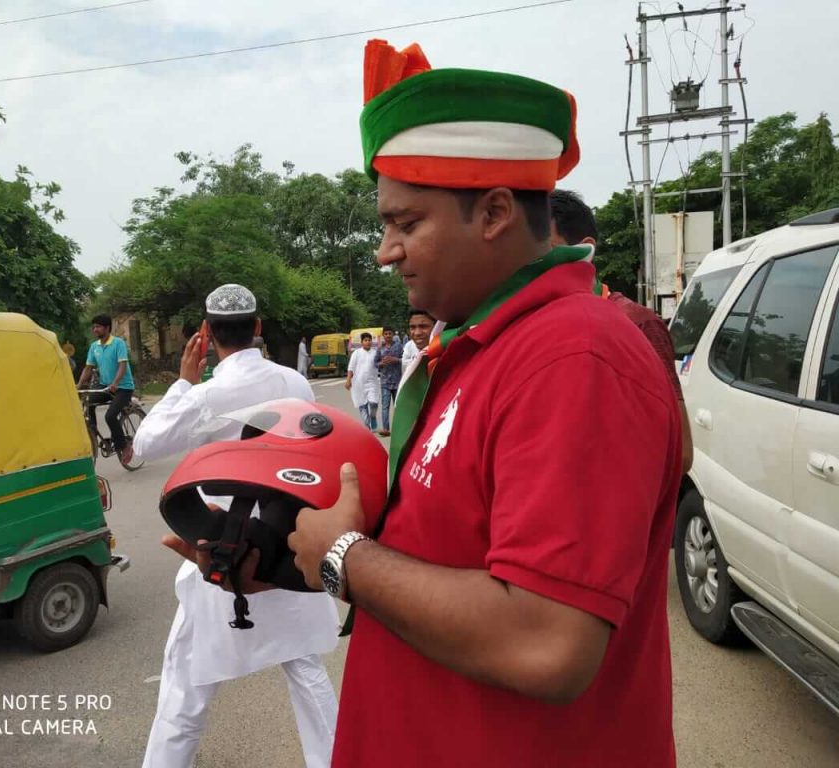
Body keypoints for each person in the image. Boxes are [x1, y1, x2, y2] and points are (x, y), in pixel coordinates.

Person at [285, 40, 680, 767]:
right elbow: (446, 544)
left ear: (495, 211)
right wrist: (280, 546)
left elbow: (545, 643)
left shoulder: (572, 357)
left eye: (406, 223)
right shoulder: (482, 346)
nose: (384, 251)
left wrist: (342, 557)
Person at [133, 283, 339, 768]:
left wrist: (182, 383)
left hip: (226, 546)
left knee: (186, 684)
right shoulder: (295, 383)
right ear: (259, 329)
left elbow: (144, 444)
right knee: (306, 668)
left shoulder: (207, 394)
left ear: (206, 334)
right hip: (287, 539)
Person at [549, 188, 694, 474]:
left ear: (584, 249)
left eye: (540, 251)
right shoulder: (527, 329)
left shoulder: (637, 324)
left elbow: (680, 453)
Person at [77, 314, 136, 463]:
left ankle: (124, 446)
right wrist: (78, 385)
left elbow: (122, 365)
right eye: (94, 327)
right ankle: (93, 433)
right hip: (105, 386)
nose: (95, 329)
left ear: (107, 328)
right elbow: (88, 367)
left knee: (110, 416)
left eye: (98, 327)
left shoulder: (118, 343)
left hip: (123, 387)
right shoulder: (94, 346)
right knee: (88, 401)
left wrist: (115, 383)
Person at [344, 333, 379, 430]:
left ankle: (373, 417)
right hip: (359, 383)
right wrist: (348, 380)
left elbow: (380, 365)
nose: (368, 342)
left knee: (374, 403)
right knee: (362, 405)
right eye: (365, 340)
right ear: (362, 342)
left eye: (369, 340)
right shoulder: (356, 353)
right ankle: (367, 427)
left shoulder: (375, 353)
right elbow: (351, 368)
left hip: (372, 383)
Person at [373, 326, 403, 436]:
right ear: (383, 335)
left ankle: (399, 428)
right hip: (385, 381)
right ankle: (386, 429)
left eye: (390, 333)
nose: (388, 335)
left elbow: (405, 359)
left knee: (398, 406)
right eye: (386, 334)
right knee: (385, 406)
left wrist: (396, 360)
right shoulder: (380, 348)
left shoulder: (399, 346)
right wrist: (381, 364)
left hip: (397, 380)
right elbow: (375, 363)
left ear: (392, 335)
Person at [401, 309, 434, 375]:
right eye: (412, 327)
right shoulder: (408, 346)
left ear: (436, 327)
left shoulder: (447, 352)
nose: (417, 333)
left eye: (423, 326)